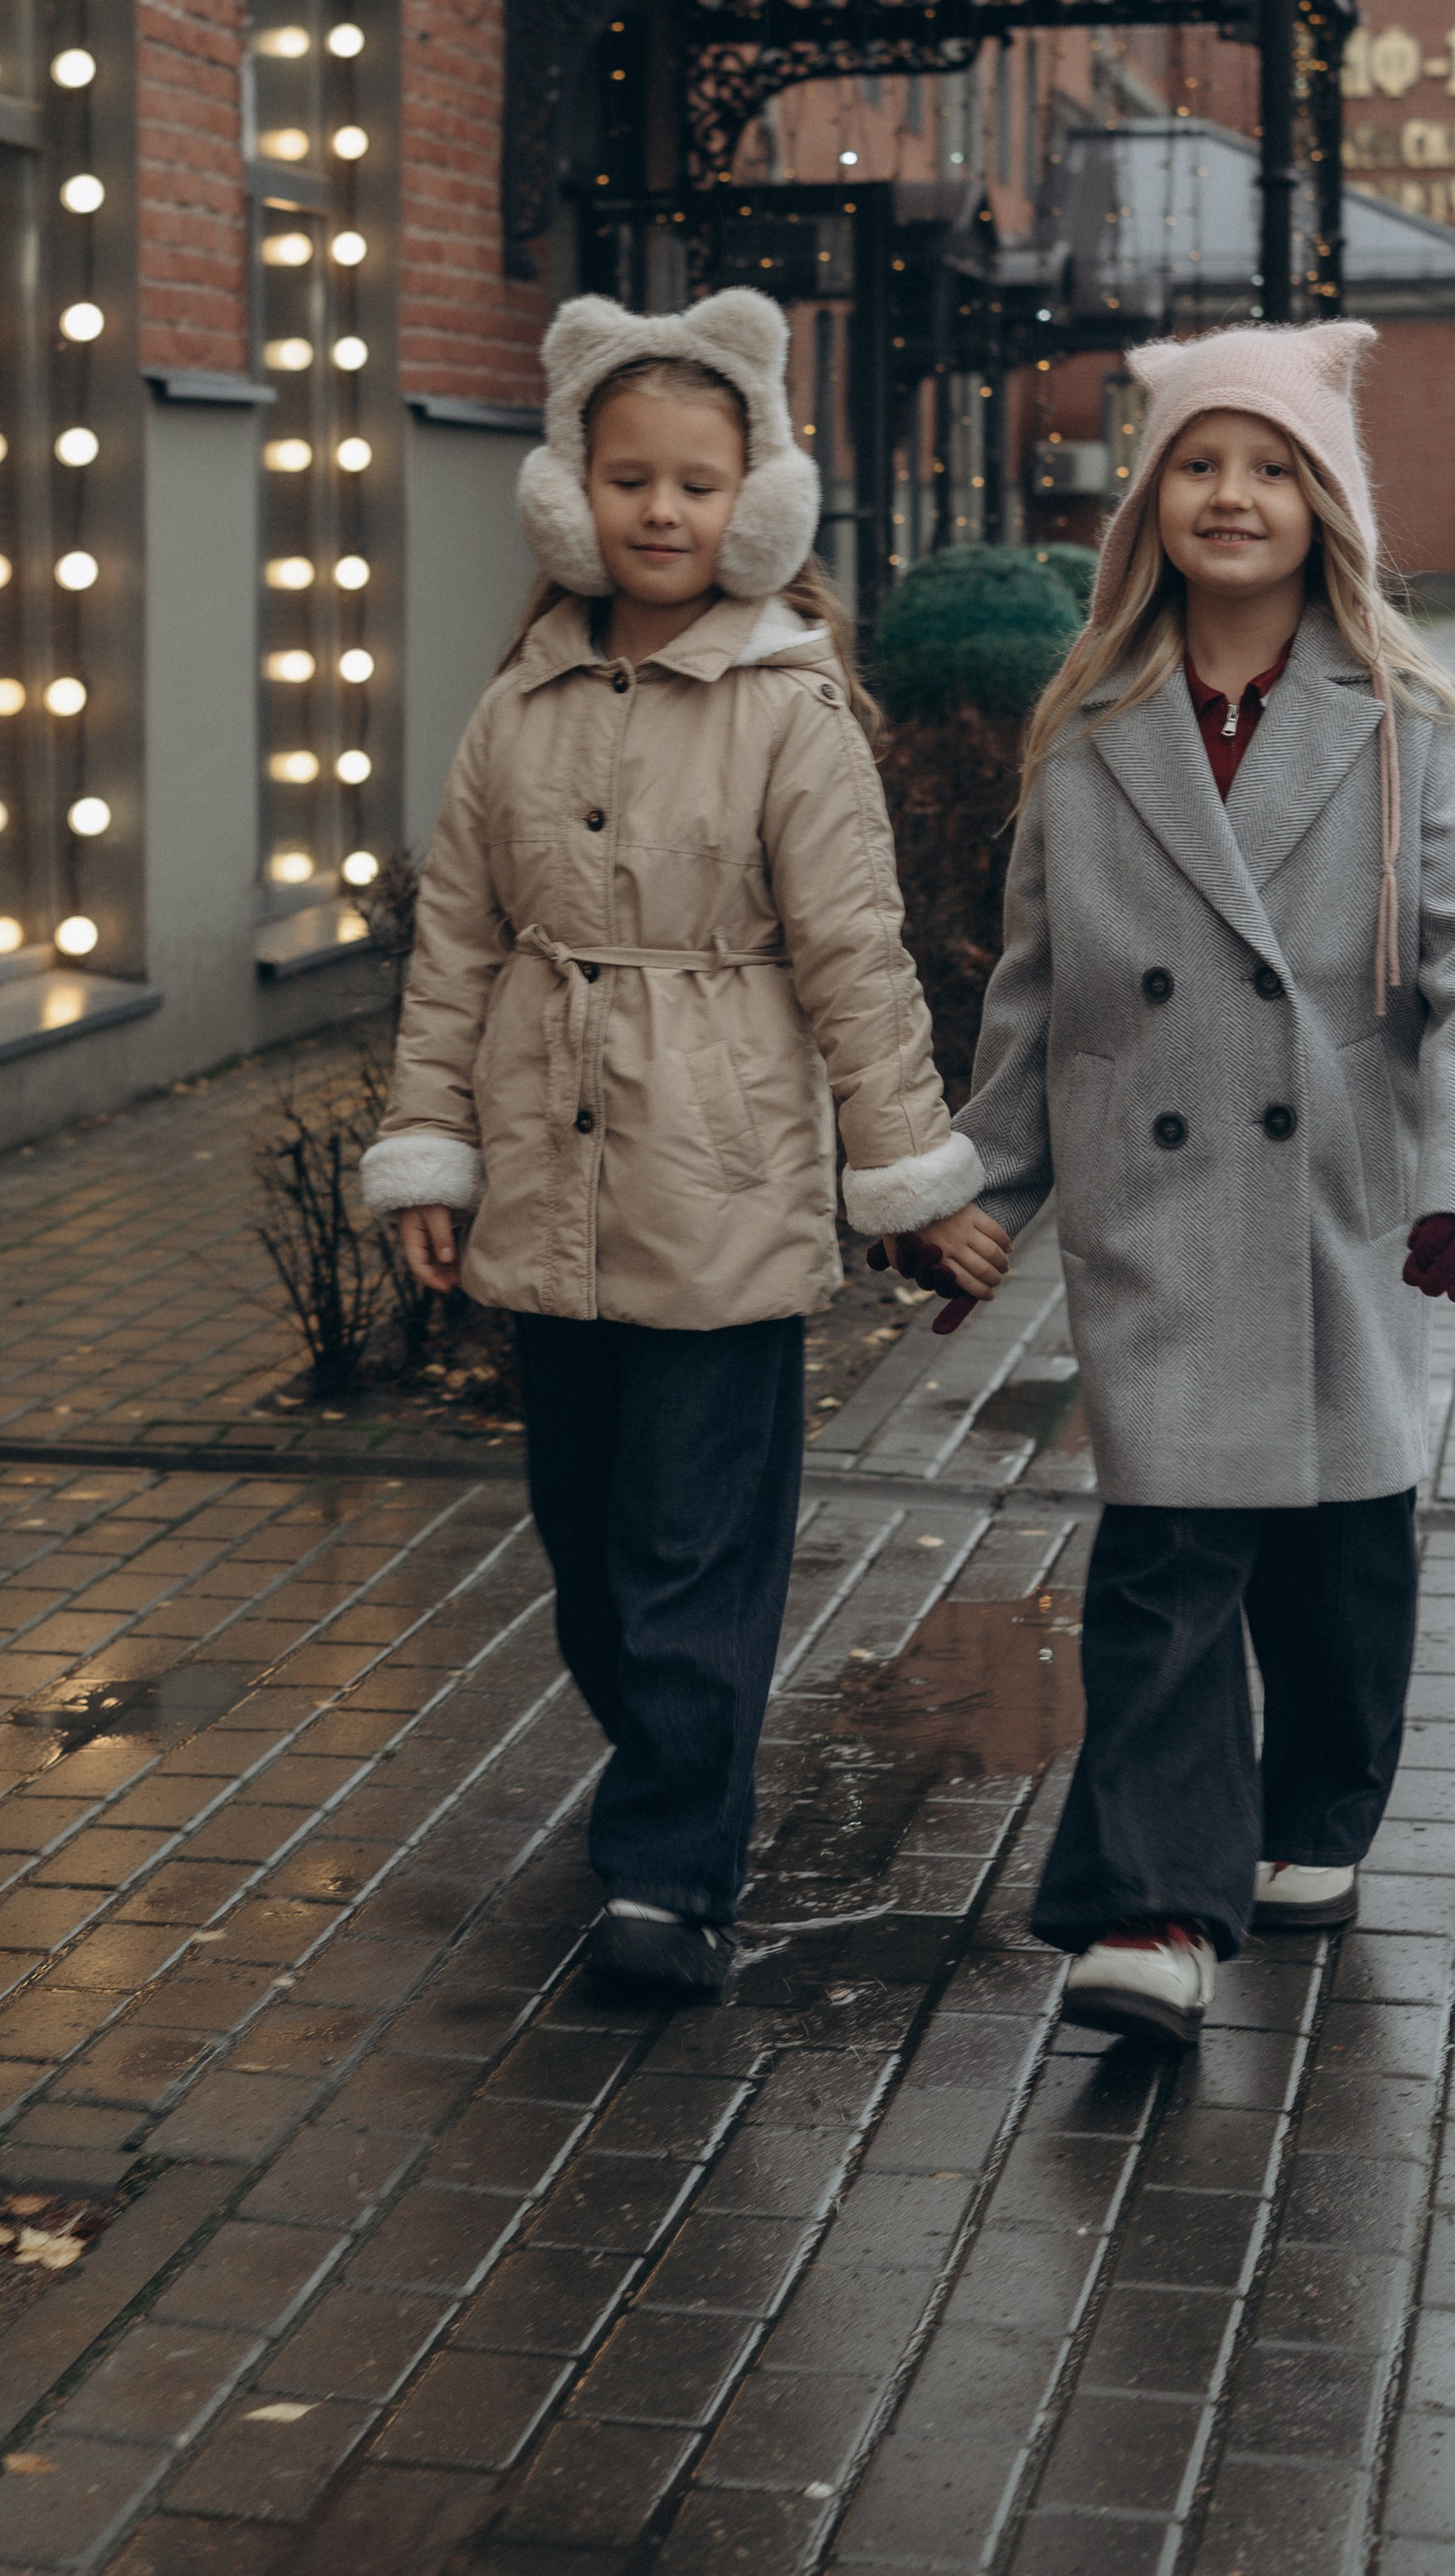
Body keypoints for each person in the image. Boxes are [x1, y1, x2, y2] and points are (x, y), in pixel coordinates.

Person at [360, 289, 1007, 2002]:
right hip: (547, 1182)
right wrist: (428, 1141)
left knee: (693, 1560)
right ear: (573, 494)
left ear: (756, 502)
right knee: (588, 1558)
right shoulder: (518, 707)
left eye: (698, 484)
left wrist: (907, 1179)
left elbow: (857, 956)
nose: (662, 512)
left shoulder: (791, 709)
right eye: (630, 478)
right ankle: (671, 1774)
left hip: (723, 1183)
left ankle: (670, 1875)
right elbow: (457, 946)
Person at [922, 320, 1455, 2052]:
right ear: (1148, 506)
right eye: (1198, 462)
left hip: (1336, 1195)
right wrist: (977, 1194)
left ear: (1326, 504)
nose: (1232, 493)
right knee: (1166, 1566)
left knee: (1340, 1556)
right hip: (1158, 1210)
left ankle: (1318, 1808)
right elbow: (1038, 999)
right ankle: (1153, 1911)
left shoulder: (1405, 724)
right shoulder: (1090, 728)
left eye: (1272, 466)